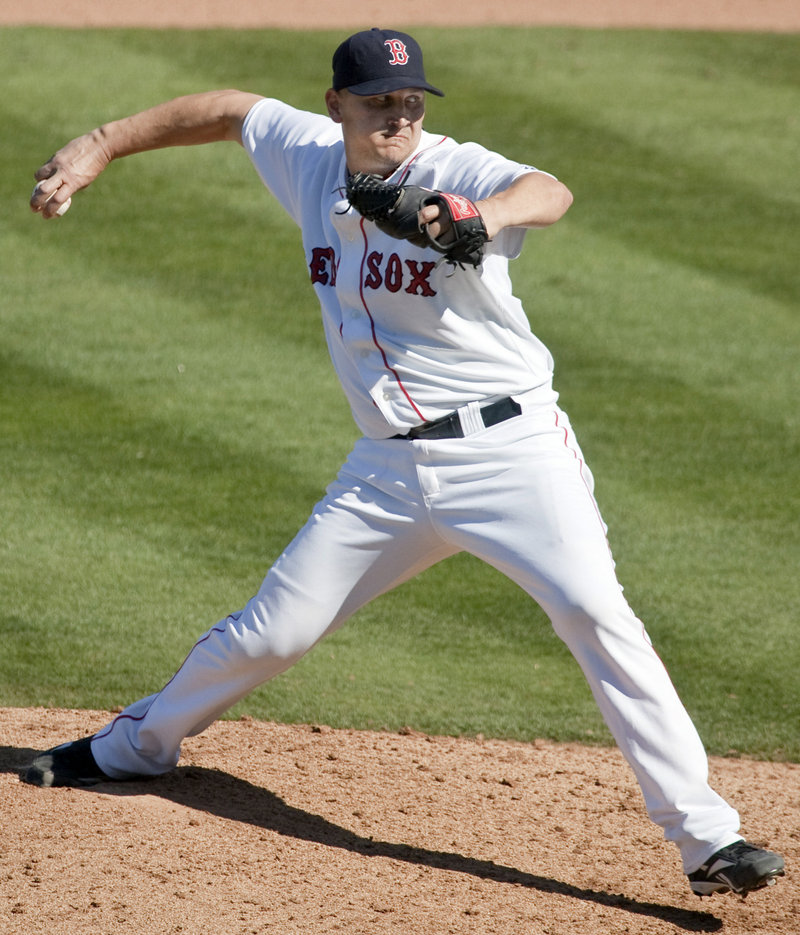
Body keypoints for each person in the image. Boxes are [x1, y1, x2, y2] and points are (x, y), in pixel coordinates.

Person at [25, 28, 784, 899]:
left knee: (596, 613)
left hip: (513, 454)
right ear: (336, 105)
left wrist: (480, 217)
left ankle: (709, 840)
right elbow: (232, 112)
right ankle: (134, 748)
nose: (398, 116)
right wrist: (102, 143)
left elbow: (549, 190)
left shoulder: (455, 169)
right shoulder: (309, 155)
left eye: (411, 100)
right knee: (275, 630)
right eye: (380, 100)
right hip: (384, 470)